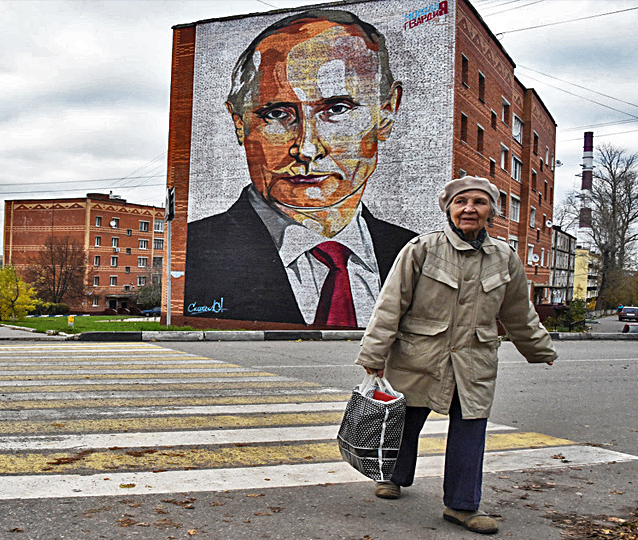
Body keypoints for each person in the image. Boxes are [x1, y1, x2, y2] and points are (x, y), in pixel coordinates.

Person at [184, 9, 416, 328]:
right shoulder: (194, 252)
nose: (306, 149)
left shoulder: (417, 255)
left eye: (337, 109)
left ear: (386, 114)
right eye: (278, 114)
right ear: (239, 124)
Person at [356, 176, 557, 535]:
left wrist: (539, 349)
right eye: (461, 202)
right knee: (407, 421)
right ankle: (393, 476)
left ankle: (462, 506)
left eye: (479, 203)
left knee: (470, 430)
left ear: (491, 211)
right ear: (448, 208)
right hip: (420, 355)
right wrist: (375, 353)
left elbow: (518, 312)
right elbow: (390, 304)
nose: (469, 209)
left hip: (473, 360)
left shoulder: (504, 258)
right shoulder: (422, 249)